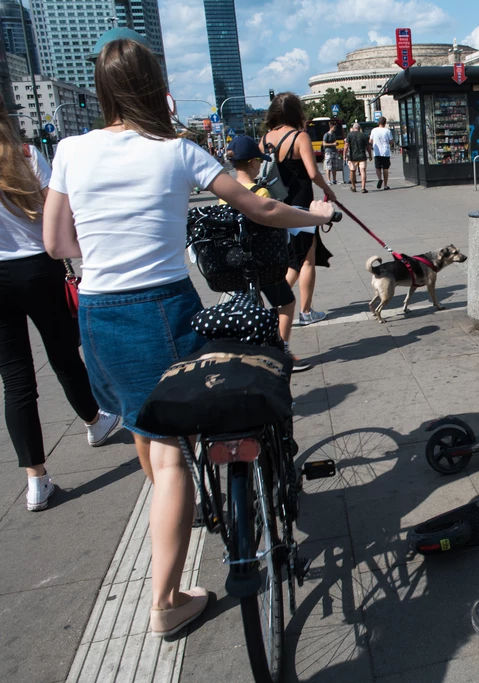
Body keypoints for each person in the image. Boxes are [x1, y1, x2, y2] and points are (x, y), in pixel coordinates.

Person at [42, 38, 335, 639]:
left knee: (145, 428)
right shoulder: (178, 151)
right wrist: (316, 216)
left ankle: (173, 517)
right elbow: (259, 209)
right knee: (175, 449)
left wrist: (103, 253)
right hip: (159, 307)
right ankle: (166, 600)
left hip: (97, 311)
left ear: (101, 90)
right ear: (155, 85)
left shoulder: (71, 149)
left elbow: (55, 243)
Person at [0, 97, 121, 512]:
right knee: (63, 355)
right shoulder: (26, 156)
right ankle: (94, 422)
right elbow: (58, 212)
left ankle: (36, 480)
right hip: (37, 267)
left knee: (15, 380)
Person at [220, 135, 311, 372]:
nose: (260, 165)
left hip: (237, 262)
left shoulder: (224, 193)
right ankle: (280, 352)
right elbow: (272, 223)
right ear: (252, 163)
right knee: (286, 302)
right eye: (258, 162)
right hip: (263, 263)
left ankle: (247, 355)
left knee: (248, 306)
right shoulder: (260, 193)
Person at [260, 93, 337, 327]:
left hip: (275, 204)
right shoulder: (299, 137)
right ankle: (300, 310)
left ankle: (287, 305)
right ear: (297, 112)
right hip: (301, 206)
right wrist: (329, 191)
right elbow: (312, 173)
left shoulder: (264, 139)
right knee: (304, 260)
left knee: (295, 256)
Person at [345, 122, 371, 194]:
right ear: (360, 129)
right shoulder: (363, 135)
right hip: (362, 156)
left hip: (352, 156)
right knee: (363, 171)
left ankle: (353, 187)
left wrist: (344, 154)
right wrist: (370, 154)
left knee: (352, 171)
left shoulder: (349, 135)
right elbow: (368, 147)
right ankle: (363, 188)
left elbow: (346, 145)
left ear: (353, 128)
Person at [369, 117, 393, 190]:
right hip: (385, 152)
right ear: (385, 123)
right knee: (385, 168)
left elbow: (370, 141)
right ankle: (385, 185)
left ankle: (379, 178)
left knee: (378, 167)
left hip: (377, 151)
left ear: (378, 123)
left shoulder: (374, 130)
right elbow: (391, 141)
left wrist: (375, 143)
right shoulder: (387, 131)